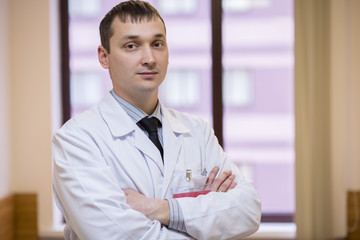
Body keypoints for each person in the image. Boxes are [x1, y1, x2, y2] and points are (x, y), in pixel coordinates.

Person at [52, 1, 261, 239]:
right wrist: (206, 219)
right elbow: (115, 235)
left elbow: (248, 210)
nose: (149, 58)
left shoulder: (197, 131)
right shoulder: (77, 140)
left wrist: (163, 209)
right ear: (104, 57)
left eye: (157, 44)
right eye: (132, 46)